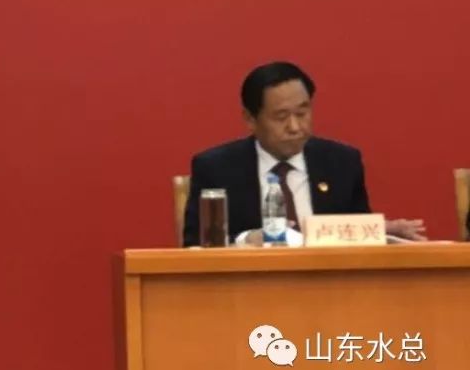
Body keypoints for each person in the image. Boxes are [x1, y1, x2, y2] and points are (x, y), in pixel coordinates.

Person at [182, 61, 426, 247]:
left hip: (331, 287)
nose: (295, 126)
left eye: (302, 113)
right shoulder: (216, 169)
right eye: (281, 117)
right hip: (249, 289)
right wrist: (245, 241)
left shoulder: (342, 162)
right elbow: (195, 248)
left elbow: (355, 241)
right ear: (250, 119)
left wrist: (381, 231)